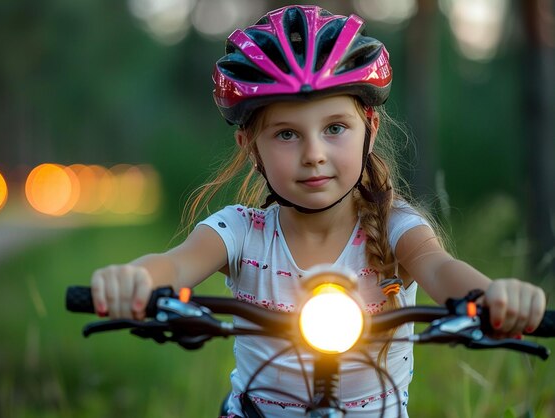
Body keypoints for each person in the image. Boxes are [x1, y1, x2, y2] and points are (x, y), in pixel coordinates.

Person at [90, 5, 546, 417]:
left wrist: (494, 296)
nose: (314, 154)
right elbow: (175, 263)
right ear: (250, 146)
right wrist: (137, 280)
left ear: (369, 128)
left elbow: (442, 270)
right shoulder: (241, 232)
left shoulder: (395, 228)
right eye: (287, 134)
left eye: (334, 128)